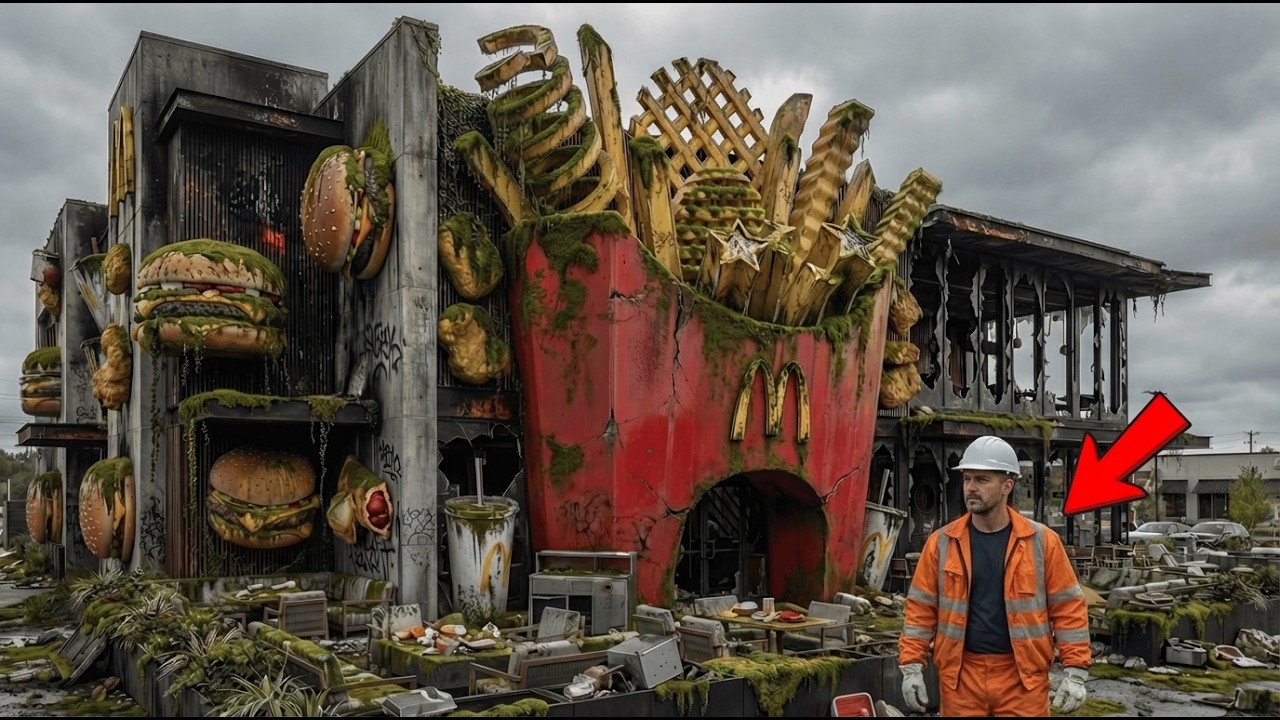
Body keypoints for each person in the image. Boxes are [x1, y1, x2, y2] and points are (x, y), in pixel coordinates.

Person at [897, 436, 1091, 716]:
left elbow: (1068, 608)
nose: (971, 488)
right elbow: (921, 609)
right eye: (967, 479)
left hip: (1022, 679)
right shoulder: (943, 543)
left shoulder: (1041, 542)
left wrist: (1075, 672)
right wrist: (912, 667)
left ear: (1007, 486)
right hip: (961, 678)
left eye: (982, 480)